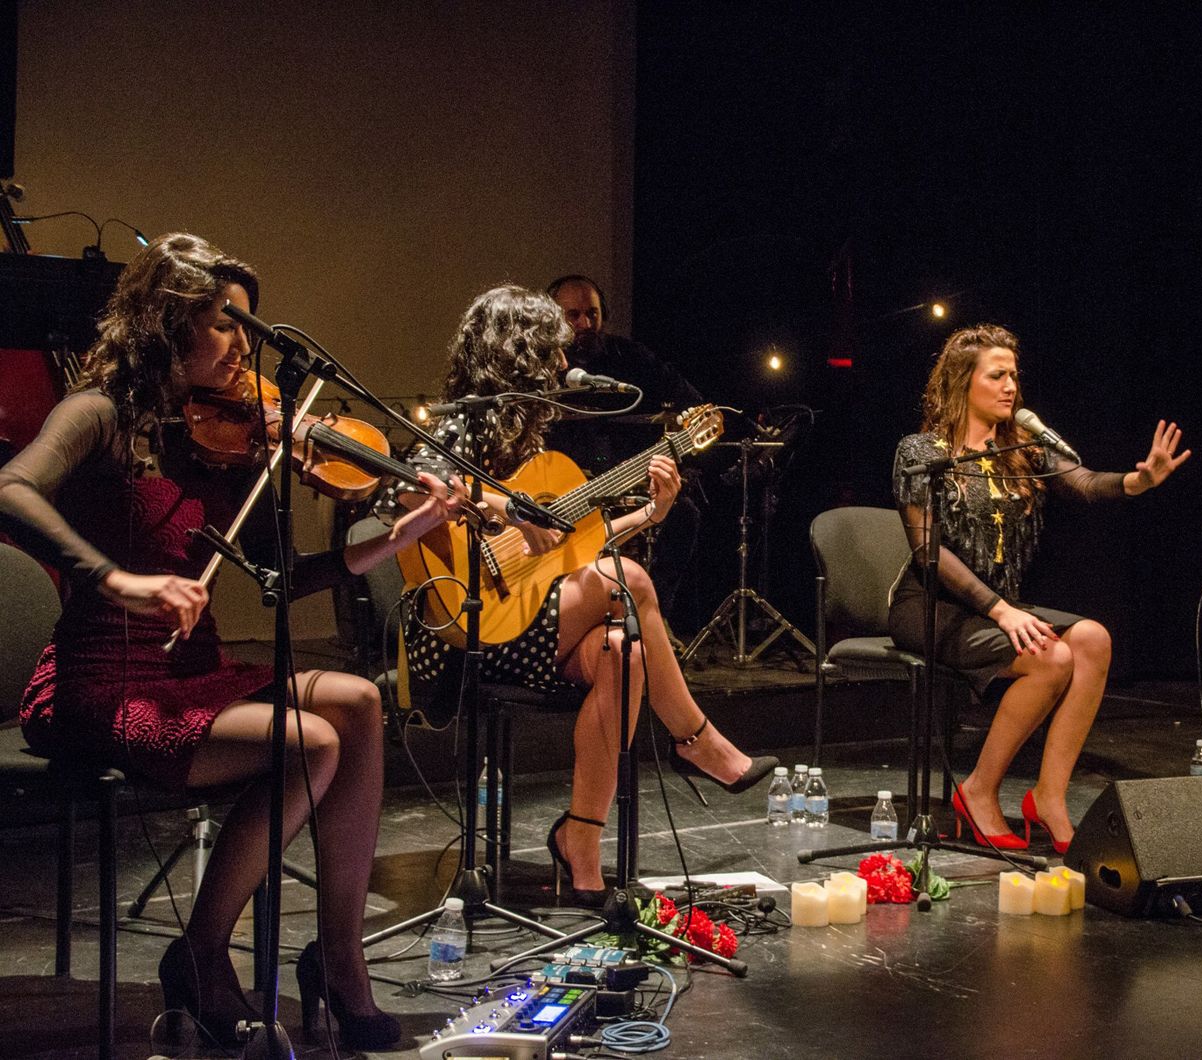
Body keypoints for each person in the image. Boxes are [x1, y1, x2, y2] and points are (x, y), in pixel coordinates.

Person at [0, 234, 466, 1049]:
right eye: (226, 325)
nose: (244, 349)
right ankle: (203, 950)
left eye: (248, 329)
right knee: (313, 743)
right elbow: (10, 488)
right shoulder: (99, 414)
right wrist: (116, 579)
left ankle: (340, 958)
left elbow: (282, 576)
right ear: (166, 321)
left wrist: (402, 533)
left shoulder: (214, 443)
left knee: (358, 702)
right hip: (102, 683)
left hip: (191, 670)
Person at [391, 285, 776, 906]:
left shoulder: (536, 447)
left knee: (625, 654)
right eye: (551, 351)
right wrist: (510, 511)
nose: (563, 363)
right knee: (635, 581)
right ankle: (696, 741)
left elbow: (572, 548)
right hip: (465, 631)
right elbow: (409, 493)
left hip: (530, 619)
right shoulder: (462, 424)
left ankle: (581, 840)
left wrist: (651, 513)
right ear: (517, 355)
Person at [889, 324, 1190, 854]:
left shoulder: (1022, 447)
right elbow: (928, 554)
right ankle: (978, 789)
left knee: (1093, 640)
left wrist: (1138, 481)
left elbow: (1085, 481)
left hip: (998, 607)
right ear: (962, 381)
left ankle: (1049, 797)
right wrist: (1001, 611)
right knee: (1052, 658)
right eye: (997, 375)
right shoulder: (922, 452)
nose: (1010, 386)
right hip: (931, 606)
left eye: (1014, 375)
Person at [545, 274, 706, 628]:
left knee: (685, 514)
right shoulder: (540, 364)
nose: (585, 324)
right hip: (562, 488)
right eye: (573, 315)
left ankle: (653, 618)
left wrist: (684, 428)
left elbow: (689, 399)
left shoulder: (630, 356)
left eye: (592, 313)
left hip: (627, 480)